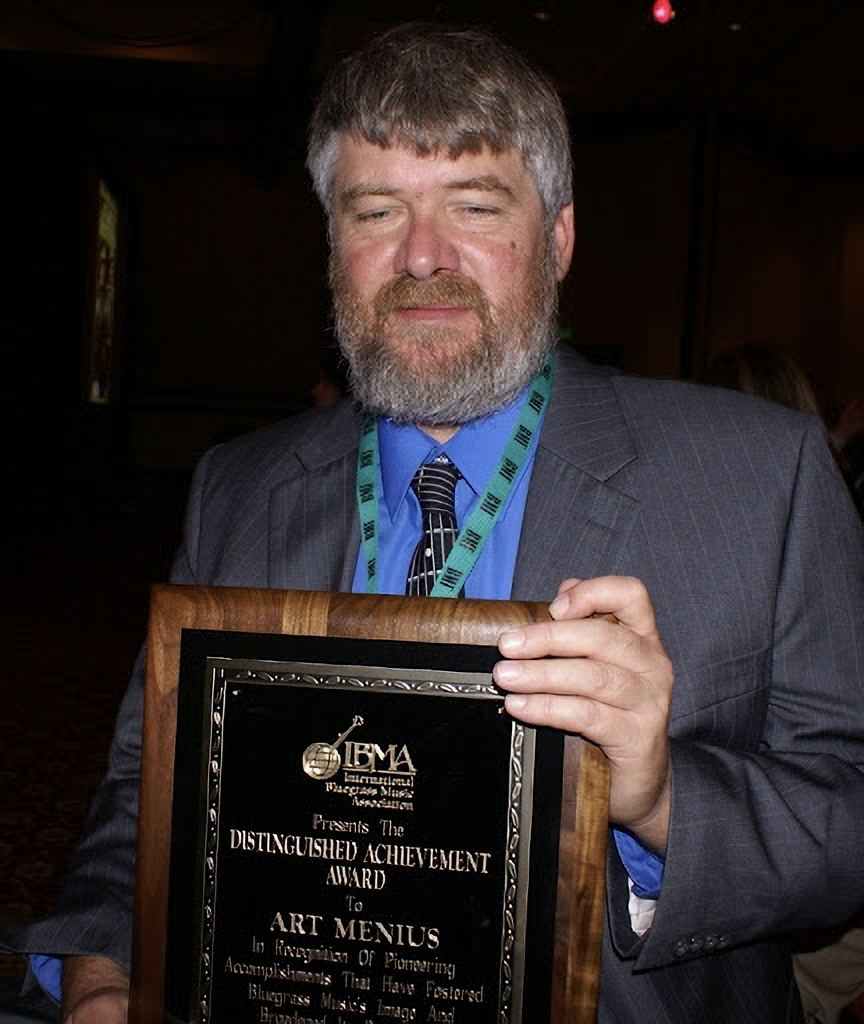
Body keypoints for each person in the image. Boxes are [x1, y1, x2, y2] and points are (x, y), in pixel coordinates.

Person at [4, 23, 864, 1024]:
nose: (421, 255)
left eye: (474, 205)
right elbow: (142, 792)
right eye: (376, 210)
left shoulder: (760, 476)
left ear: (560, 238)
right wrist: (104, 973)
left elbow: (849, 818)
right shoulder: (236, 488)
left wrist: (662, 798)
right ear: (332, 245)